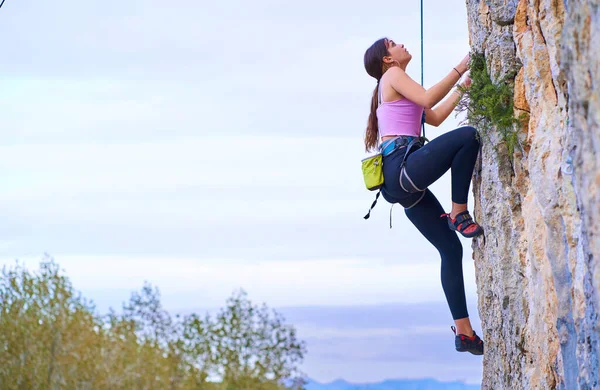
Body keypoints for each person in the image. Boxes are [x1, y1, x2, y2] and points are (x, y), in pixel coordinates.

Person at [363, 37, 484, 355]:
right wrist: (462, 65)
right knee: (469, 136)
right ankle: (459, 211)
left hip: (400, 182)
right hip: (402, 167)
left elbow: (435, 115)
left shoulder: (394, 87)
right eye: (393, 44)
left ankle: (465, 334)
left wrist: (465, 85)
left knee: (450, 249)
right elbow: (430, 96)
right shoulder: (391, 77)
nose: (401, 44)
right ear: (387, 59)